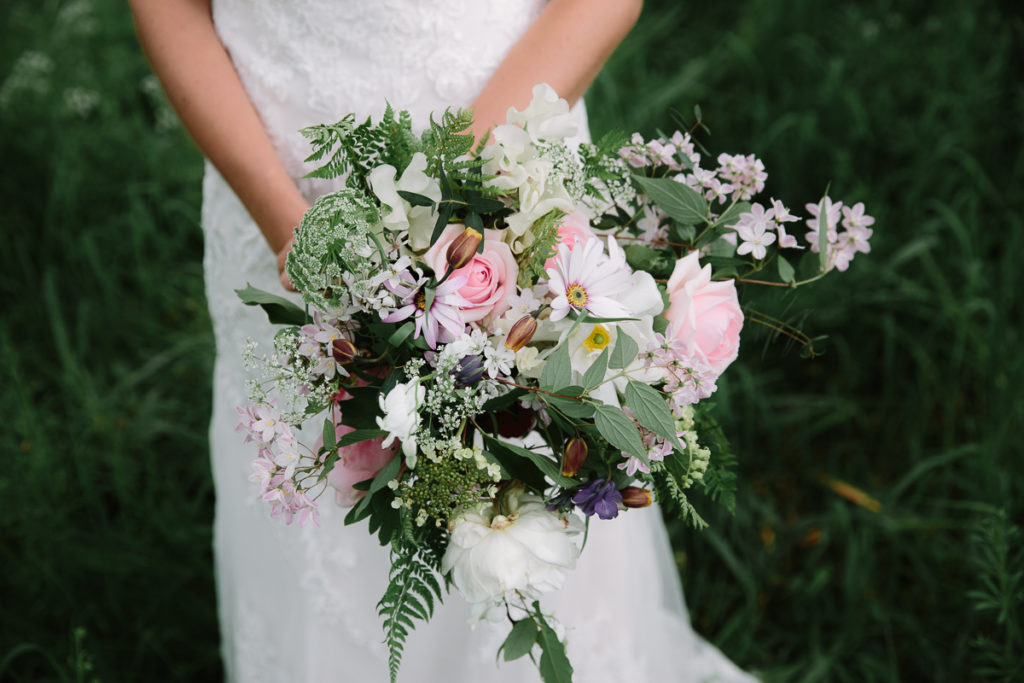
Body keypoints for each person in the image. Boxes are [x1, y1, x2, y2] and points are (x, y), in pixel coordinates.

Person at [130, 1, 758, 680]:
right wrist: (290, 227)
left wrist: (454, 209)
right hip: (271, 174)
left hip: (505, 142)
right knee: (315, 486)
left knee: (527, 463)